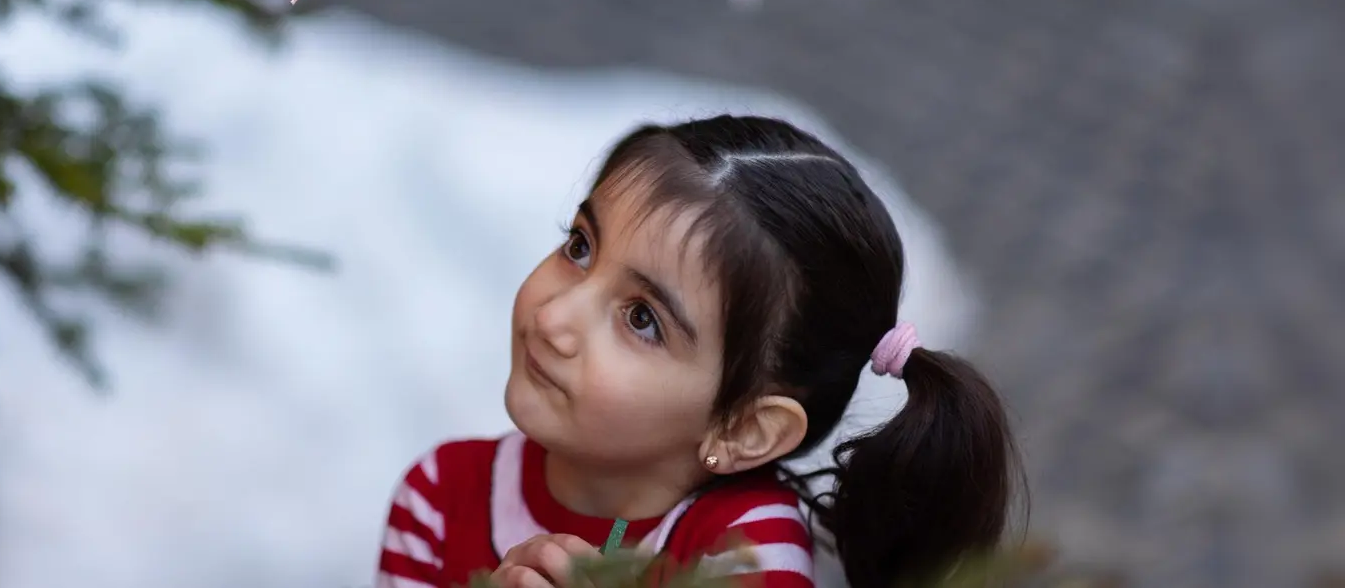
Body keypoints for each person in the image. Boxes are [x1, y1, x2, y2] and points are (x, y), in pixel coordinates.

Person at [376, 115, 1024, 588]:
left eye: (641, 319)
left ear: (742, 427)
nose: (553, 317)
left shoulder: (744, 555)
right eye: (579, 248)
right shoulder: (440, 495)